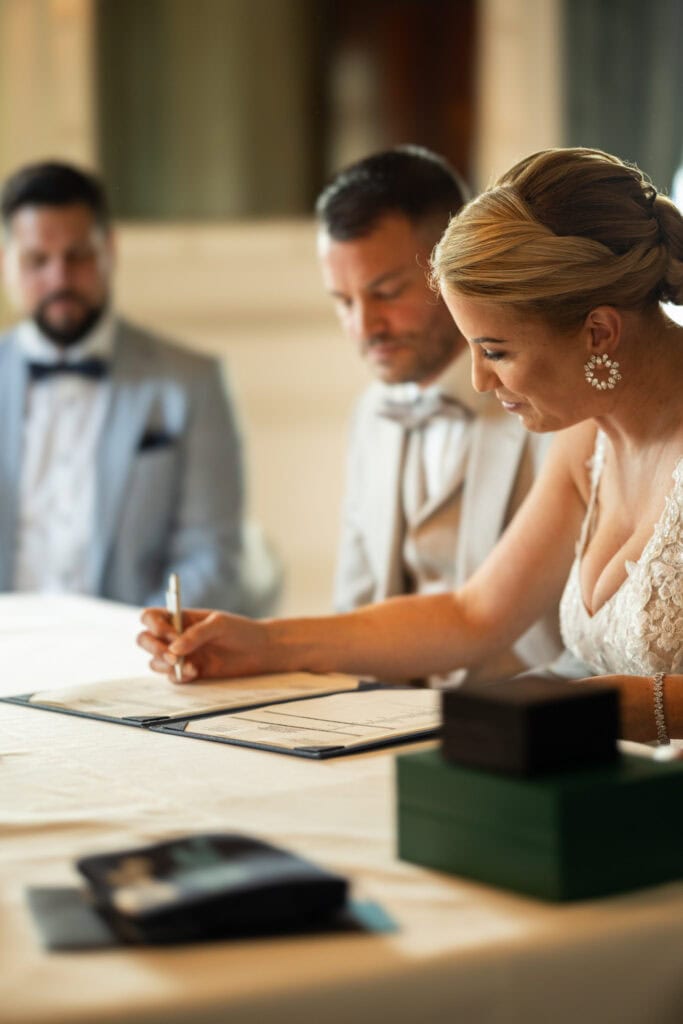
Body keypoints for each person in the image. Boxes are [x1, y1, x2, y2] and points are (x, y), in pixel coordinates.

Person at [139, 147, 683, 744]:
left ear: (599, 331)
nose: (479, 380)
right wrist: (263, 642)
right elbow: (473, 614)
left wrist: (640, 708)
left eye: (496, 351)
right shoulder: (587, 436)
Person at [316, 145, 562, 681]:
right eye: (343, 301)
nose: (364, 327)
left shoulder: (556, 407)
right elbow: (353, 603)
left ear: (452, 265)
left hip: (527, 708)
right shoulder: (370, 416)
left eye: (386, 293)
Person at [0, 160, 275, 612]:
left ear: (110, 250)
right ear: (7, 263)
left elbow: (212, 557)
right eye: (37, 261)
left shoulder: (194, 382)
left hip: (134, 645)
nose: (59, 279)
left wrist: (136, 640)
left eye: (77, 256)